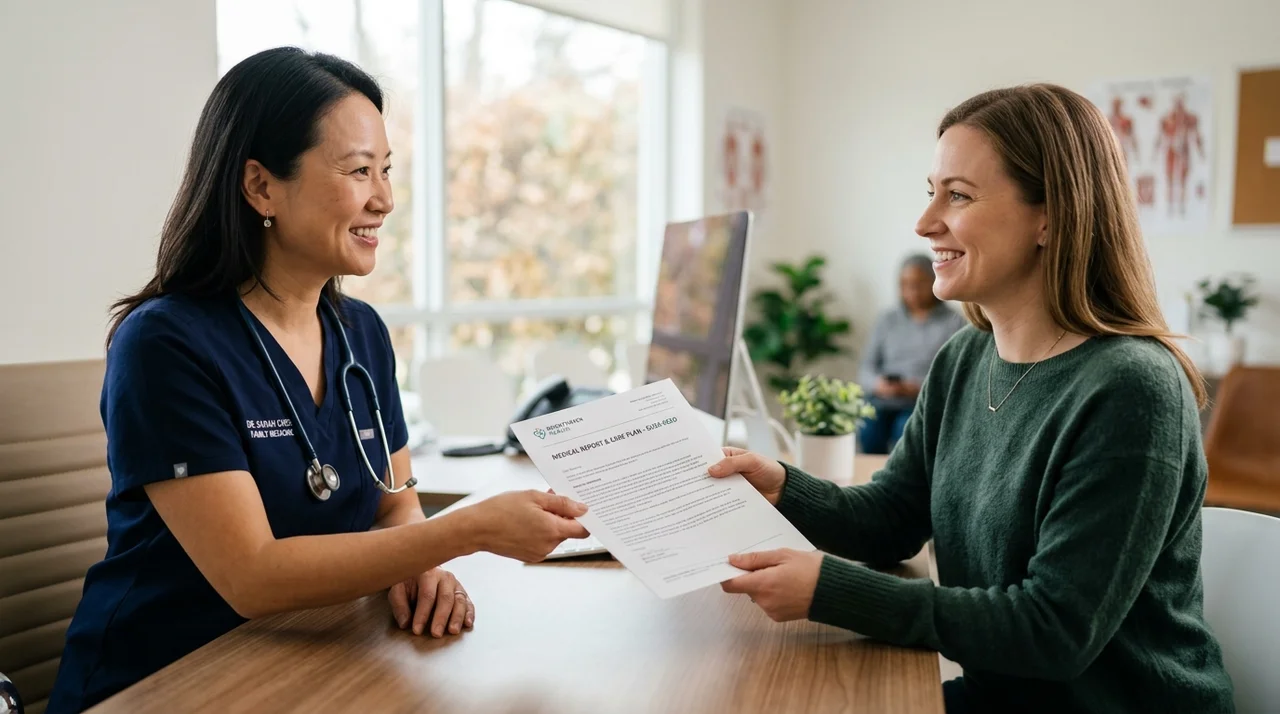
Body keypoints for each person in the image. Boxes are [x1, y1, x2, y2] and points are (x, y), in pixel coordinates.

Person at [48, 48, 590, 713]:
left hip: (312, 659)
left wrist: (420, 563)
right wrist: (463, 533)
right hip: (164, 682)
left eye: (386, 171)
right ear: (260, 187)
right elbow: (252, 576)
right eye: (359, 171)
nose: (384, 199)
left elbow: (394, 505)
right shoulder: (165, 344)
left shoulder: (361, 333)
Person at [706, 84, 1234, 713]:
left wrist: (832, 591)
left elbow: (1055, 630)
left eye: (958, 195)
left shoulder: (1131, 387)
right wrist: (783, 487)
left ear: (1051, 216)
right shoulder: (963, 359)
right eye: (930, 193)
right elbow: (893, 518)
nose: (926, 223)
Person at [856, 254, 966, 454]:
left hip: (921, 400)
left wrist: (919, 387)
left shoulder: (953, 322)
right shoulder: (887, 320)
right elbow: (866, 368)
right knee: (868, 427)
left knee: (905, 428)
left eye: (918, 284)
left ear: (933, 281)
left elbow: (957, 374)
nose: (912, 291)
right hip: (884, 399)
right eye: (905, 284)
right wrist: (879, 384)